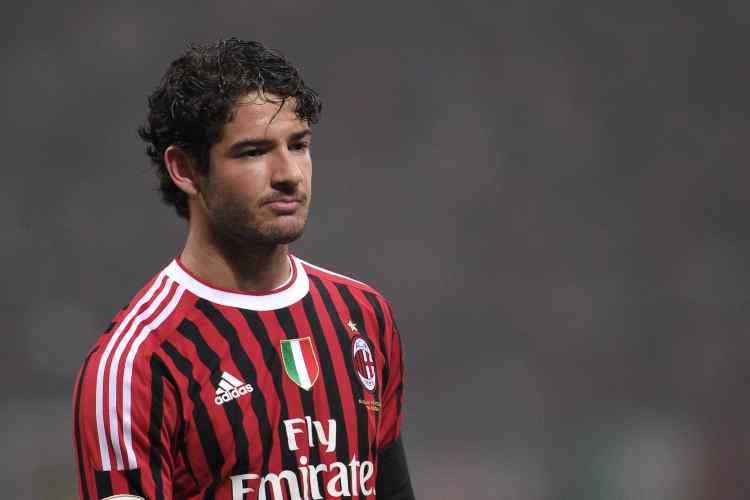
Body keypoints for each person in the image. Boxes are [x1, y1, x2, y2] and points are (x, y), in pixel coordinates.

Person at [72, 38, 414, 500]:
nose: (289, 173)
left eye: (299, 145)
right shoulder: (137, 366)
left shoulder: (364, 315)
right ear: (185, 169)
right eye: (254, 152)